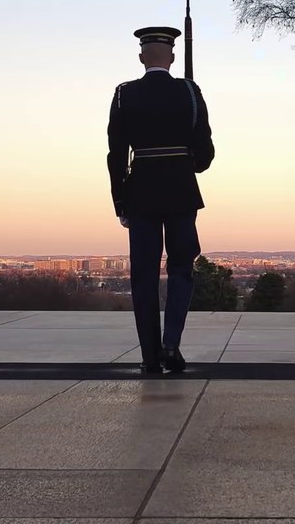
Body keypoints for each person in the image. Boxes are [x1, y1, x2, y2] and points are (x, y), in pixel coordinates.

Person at [106, 25, 215, 375]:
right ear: (170, 57)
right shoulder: (189, 91)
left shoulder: (124, 94)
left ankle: (150, 357)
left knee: (143, 276)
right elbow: (205, 150)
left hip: (141, 194)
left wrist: (120, 201)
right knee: (181, 269)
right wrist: (189, 164)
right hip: (181, 191)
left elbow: (116, 154)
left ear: (141, 57)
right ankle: (172, 344)